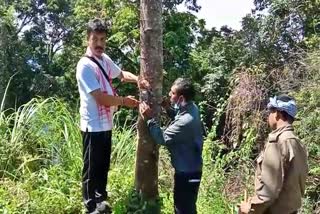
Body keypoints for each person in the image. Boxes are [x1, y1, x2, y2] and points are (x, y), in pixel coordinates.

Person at [76, 18, 141, 214]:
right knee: (91, 168)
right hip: (92, 126)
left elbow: (121, 74)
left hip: (106, 124)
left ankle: (101, 201)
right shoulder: (85, 66)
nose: (99, 44)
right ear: (88, 39)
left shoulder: (104, 60)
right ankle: (90, 206)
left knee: (103, 165)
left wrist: (139, 80)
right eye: (95, 39)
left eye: (102, 39)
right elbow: (100, 98)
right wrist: (123, 101)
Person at [140, 78, 204, 214]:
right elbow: (178, 116)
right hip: (190, 169)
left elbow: (162, 138)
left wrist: (150, 118)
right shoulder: (191, 108)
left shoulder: (186, 121)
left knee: (183, 209)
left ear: (181, 98)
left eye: (172, 93)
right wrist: (167, 108)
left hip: (188, 173)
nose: (169, 94)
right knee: (186, 207)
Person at [239, 95, 308, 214]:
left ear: (278, 114)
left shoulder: (277, 143)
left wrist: (250, 209)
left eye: (271, 111)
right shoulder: (297, 143)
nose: (268, 115)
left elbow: (269, 191)